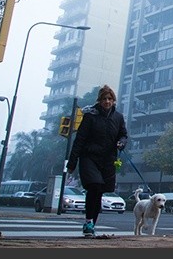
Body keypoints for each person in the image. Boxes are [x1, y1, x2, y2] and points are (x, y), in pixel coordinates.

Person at [67, 85, 128, 237]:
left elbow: (124, 135)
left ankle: (91, 223)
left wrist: (121, 142)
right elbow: (79, 140)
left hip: (108, 159)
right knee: (94, 186)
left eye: (110, 99)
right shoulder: (90, 116)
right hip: (89, 158)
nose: (107, 102)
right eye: (104, 99)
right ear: (99, 101)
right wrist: (72, 163)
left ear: (113, 101)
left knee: (100, 191)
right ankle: (88, 221)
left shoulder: (118, 117)